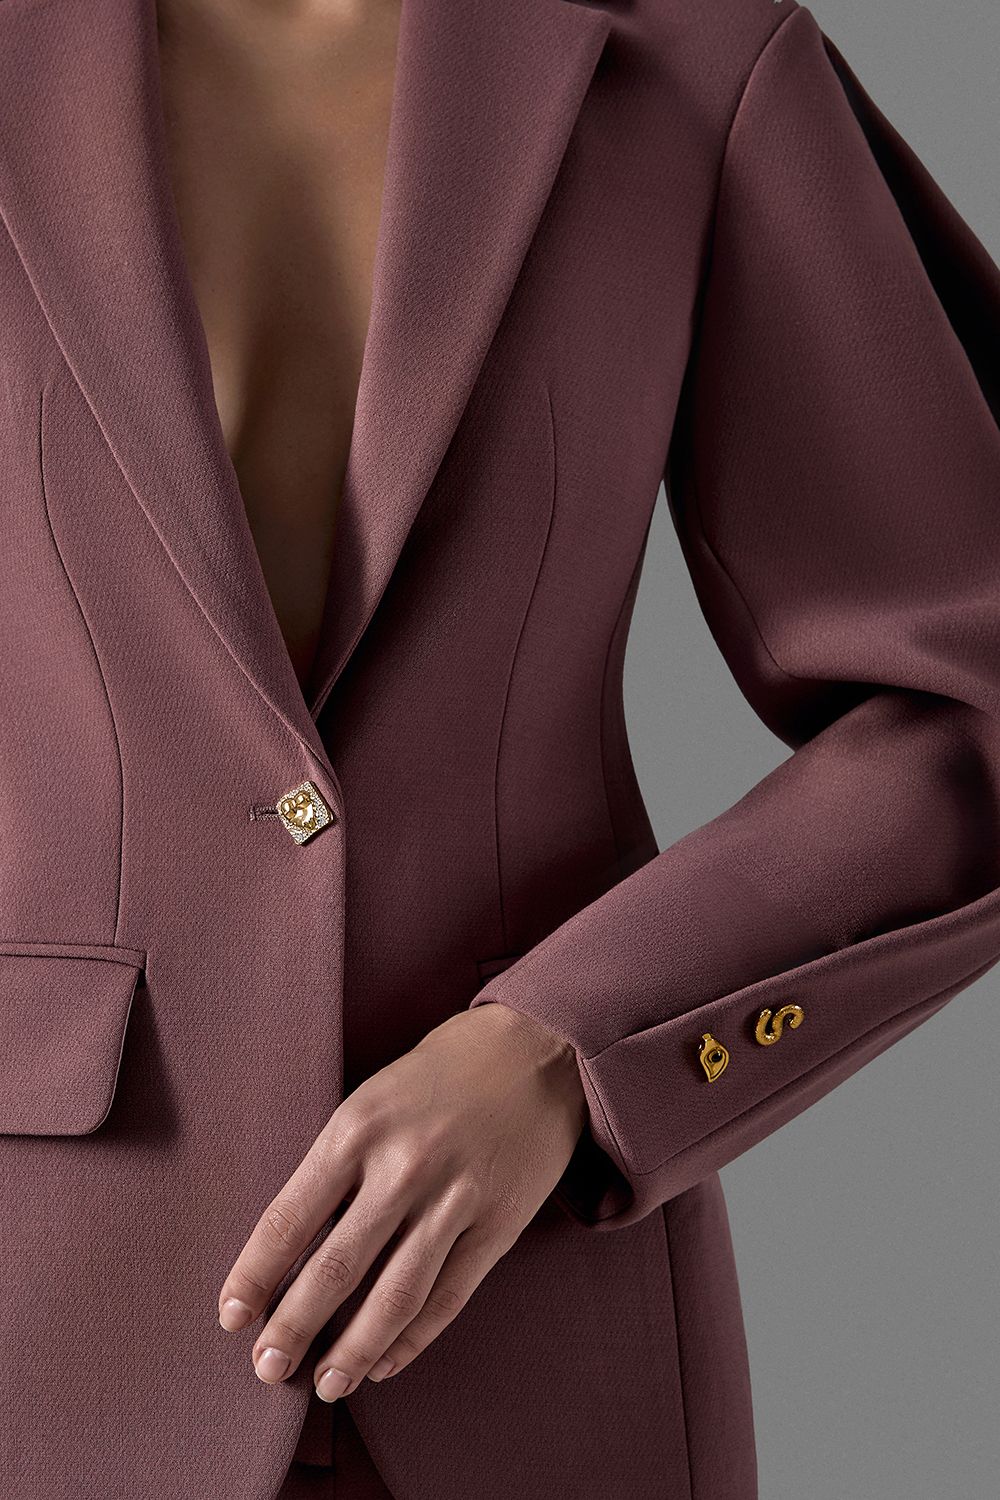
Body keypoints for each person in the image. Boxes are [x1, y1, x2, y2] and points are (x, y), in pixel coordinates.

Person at [1, 0, 997, 1496]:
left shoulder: (695, 52)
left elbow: (968, 696)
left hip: (539, 1323)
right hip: (44, 1319)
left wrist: (563, 1049)